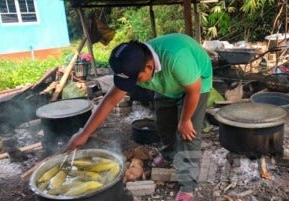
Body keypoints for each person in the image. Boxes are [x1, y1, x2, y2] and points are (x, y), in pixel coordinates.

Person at [67, 33, 213, 201]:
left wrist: (185, 120)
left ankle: (188, 185)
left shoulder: (176, 58)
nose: (135, 83)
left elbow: (194, 90)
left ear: (150, 67)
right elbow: (109, 101)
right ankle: (169, 154)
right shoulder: (133, 63)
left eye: (138, 79)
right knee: (163, 123)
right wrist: (84, 133)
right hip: (170, 83)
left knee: (188, 134)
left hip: (197, 82)